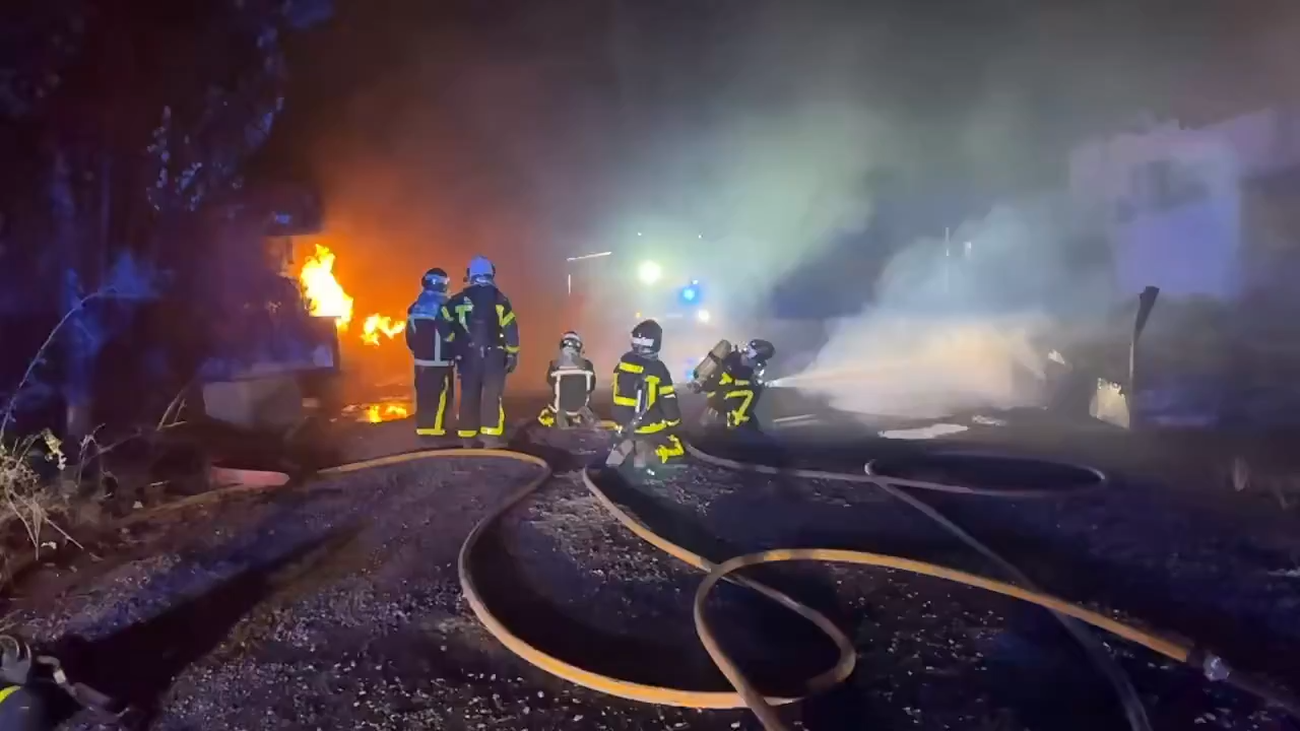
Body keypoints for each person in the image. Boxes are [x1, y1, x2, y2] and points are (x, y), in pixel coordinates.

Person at [443, 255, 520, 448]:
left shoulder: (456, 301)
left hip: (467, 357)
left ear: (470, 275)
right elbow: (510, 327)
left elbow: (442, 321)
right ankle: (490, 438)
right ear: (491, 273)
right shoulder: (499, 299)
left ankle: (467, 438)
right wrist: (512, 353)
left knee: (469, 394)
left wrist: (453, 343)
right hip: (494, 356)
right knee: (492, 395)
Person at [606, 319, 685, 473]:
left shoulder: (622, 363)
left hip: (624, 425)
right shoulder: (658, 369)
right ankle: (648, 455)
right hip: (648, 428)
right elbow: (669, 403)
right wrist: (674, 423)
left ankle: (626, 449)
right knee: (677, 449)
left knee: (630, 440)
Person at [405, 267, 458, 437]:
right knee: (442, 397)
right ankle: (436, 433)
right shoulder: (449, 307)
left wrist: (419, 353)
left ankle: (424, 429)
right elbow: (456, 334)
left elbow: (410, 336)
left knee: (424, 396)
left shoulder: (415, 308)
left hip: (421, 362)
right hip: (442, 361)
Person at [695, 338, 775, 431]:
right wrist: (752, 384)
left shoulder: (733, 359)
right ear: (754, 356)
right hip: (721, 403)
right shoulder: (737, 368)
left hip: (721, 403)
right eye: (759, 361)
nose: (757, 365)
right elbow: (730, 383)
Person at [537, 331, 598, 428]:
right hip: (581, 410)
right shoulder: (587, 365)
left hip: (560, 410)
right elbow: (591, 386)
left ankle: (562, 427)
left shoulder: (554, 365)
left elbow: (550, 381)